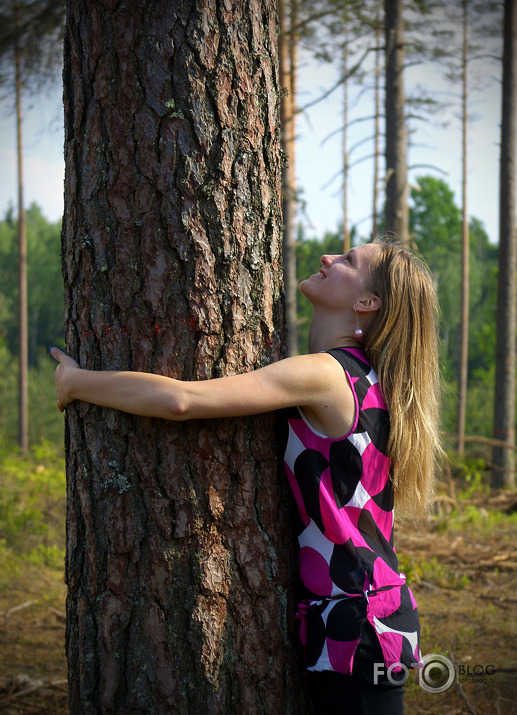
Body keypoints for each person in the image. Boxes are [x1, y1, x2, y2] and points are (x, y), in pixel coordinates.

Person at [52, 238, 441, 714]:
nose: (328, 258)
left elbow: (182, 401)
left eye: (348, 262)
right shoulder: (373, 381)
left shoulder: (326, 375)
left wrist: (76, 383)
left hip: (352, 629)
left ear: (366, 303)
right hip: (367, 618)